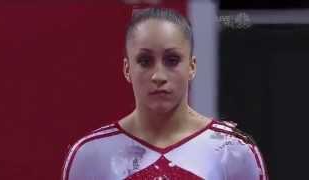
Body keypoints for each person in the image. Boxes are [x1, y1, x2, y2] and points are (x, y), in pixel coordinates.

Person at [62, 7, 268, 180]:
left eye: (172, 60)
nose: (158, 76)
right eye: (145, 61)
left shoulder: (233, 151)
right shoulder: (90, 155)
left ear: (192, 67)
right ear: (127, 69)